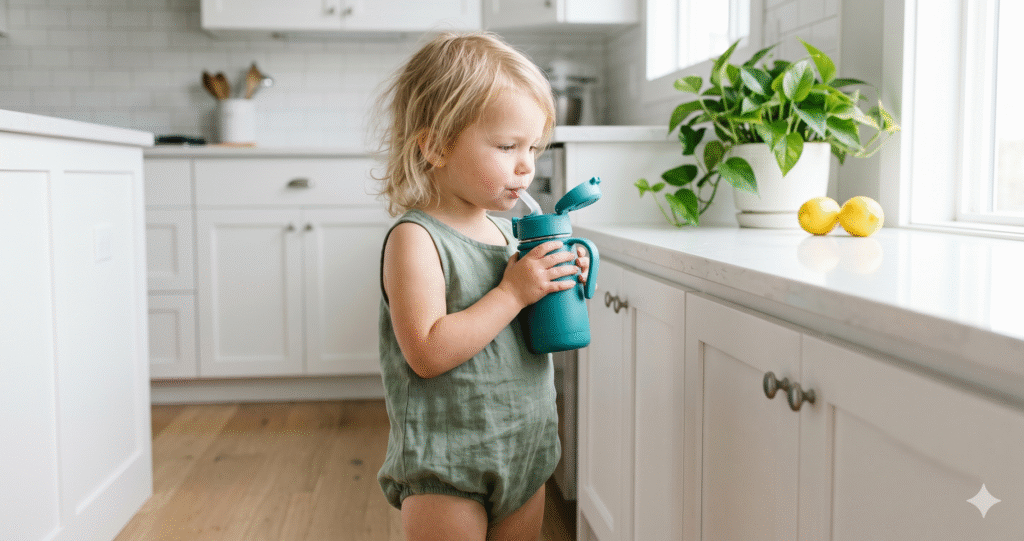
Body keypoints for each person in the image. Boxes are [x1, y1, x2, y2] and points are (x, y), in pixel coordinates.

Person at [372, 31, 589, 541]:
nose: (527, 165)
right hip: (448, 462)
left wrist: (555, 282)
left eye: (534, 147)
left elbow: (517, 328)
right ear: (436, 145)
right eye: (507, 146)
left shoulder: (504, 231)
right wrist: (513, 292)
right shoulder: (416, 238)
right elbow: (426, 352)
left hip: (525, 447)